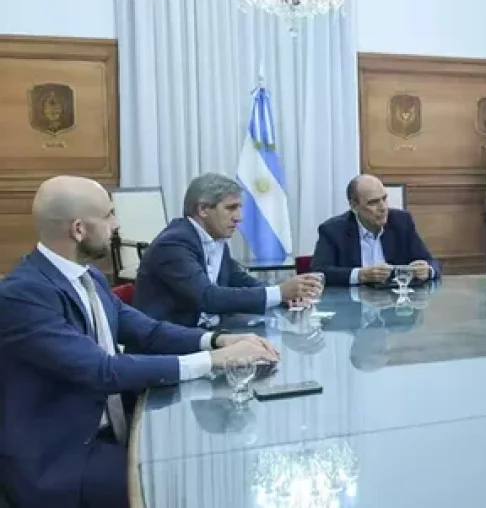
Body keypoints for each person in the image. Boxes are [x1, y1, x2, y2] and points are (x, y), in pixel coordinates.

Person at [0, 175, 280, 508]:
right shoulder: (23, 294)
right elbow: (102, 370)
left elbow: (148, 331)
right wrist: (213, 361)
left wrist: (217, 340)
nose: (116, 224)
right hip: (63, 456)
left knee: (214, 453)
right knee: (179, 486)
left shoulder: (89, 276)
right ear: (78, 229)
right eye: (108, 215)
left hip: (112, 429)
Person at [134, 173, 322, 327]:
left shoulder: (215, 238)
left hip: (207, 331)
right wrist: (279, 292)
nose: (239, 217)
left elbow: (237, 279)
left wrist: (284, 295)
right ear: (203, 210)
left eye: (239, 208)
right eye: (231, 208)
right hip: (168, 344)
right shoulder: (174, 243)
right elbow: (207, 297)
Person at [311, 174, 440, 287]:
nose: (383, 208)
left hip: (394, 302)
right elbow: (319, 272)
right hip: (352, 302)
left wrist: (428, 270)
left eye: (384, 199)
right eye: (373, 202)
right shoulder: (333, 230)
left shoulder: (401, 222)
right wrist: (361, 275)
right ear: (354, 206)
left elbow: (431, 262)